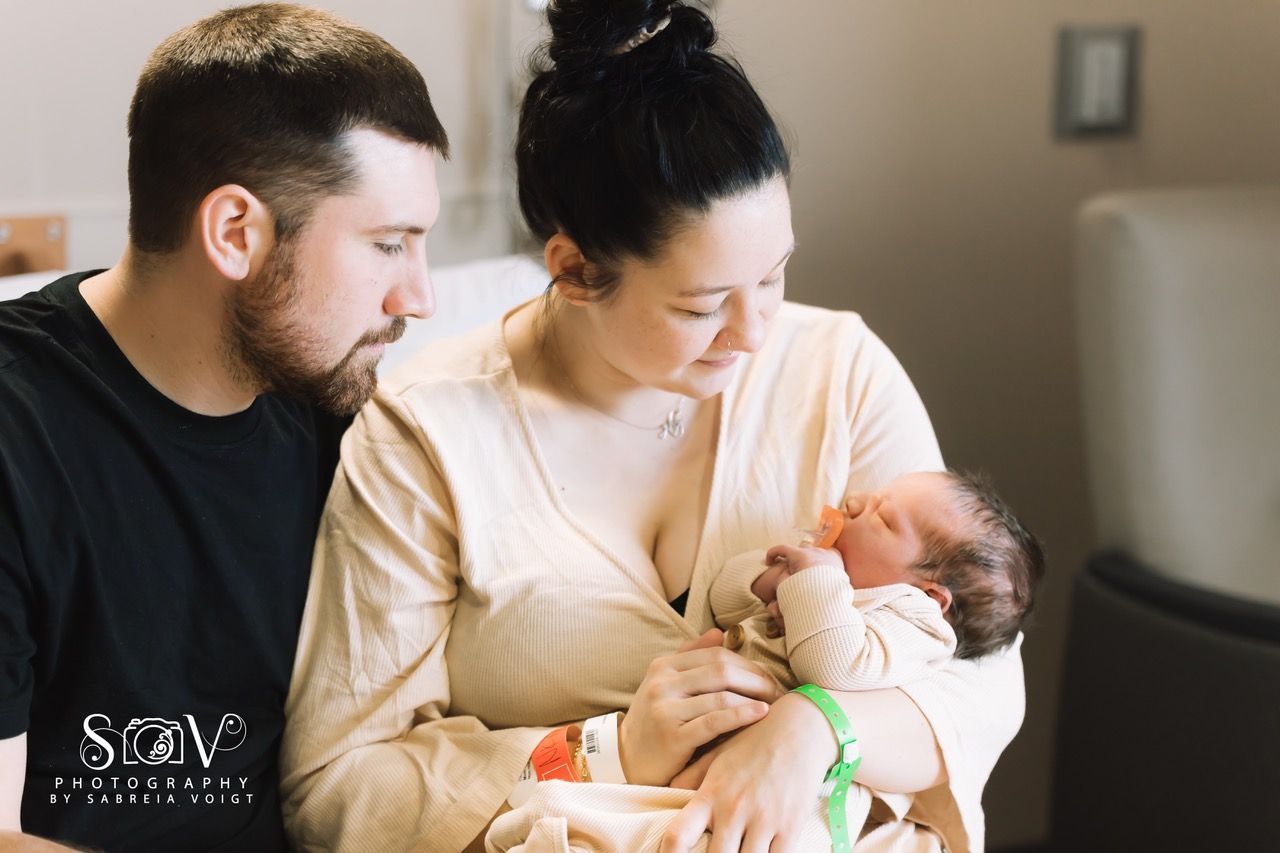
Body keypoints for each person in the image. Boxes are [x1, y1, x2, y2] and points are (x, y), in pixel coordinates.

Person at [281, 2, 1025, 852]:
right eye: (704, 306)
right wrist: (606, 749)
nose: (753, 333)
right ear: (575, 269)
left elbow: (982, 674)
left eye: (775, 276)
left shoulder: (841, 373)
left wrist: (817, 728)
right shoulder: (428, 435)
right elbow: (336, 785)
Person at [0, 5, 447, 850]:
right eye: (390, 245)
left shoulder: (332, 402)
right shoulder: (18, 436)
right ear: (236, 231)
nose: (418, 298)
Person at [711, 469, 1046, 692]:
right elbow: (721, 601)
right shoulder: (818, 575)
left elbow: (831, 667)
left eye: (883, 518)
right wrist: (775, 579)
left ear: (928, 597)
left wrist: (817, 581)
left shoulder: (917, 627)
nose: (854, 500)